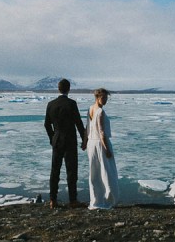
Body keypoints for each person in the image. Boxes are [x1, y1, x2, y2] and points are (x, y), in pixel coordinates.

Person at [44, 78, 86, 208]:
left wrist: (52, 138)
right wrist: (84, 140)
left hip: (57, 141)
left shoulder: (51, 104)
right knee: (71, 171)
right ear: (69, 89)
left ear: (58, 89)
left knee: (55, 170)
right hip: (70, 141)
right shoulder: (71, 104)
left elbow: (46, 124)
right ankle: (73, 200)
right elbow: (78, 123)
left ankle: (53, 200)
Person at [85, 88, 119, 209]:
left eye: (106, 98)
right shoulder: (99, 111)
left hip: (91, 144)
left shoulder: (90, 109)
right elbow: (101, 131)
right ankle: (108, 200)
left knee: (95, 172)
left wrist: (85, 142)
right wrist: (107, 149)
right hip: (100, 143)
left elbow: (87, 128)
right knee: (107, 172)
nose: (105, 100)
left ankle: (96, 200)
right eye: (103, 98)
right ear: (97, 97)